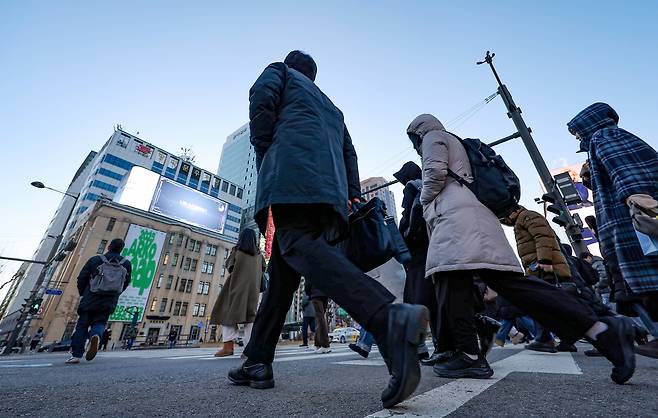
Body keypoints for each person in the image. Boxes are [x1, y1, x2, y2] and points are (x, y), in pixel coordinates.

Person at [230, 51, 429, 409]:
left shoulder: (279, 73)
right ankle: (257, 360)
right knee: (283, 275)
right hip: (330, 192)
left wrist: (266, 149)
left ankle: (387, 319)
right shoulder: (333, 109)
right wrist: (352, 193)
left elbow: (261, 102)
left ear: (291, 65)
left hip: (291, 177)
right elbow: (349, 152)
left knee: (294, 242)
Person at [408, 113, 637, 384]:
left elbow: (434, 172)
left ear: (417, 132)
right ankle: (601, 329)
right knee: (515, 286)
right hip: (475, 218)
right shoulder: (457, 143)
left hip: (455, 222)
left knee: (451, 284)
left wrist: (424, 201)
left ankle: (468, 356)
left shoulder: (433, 137)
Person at [568, 102, 658, 359]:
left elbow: (626, 170)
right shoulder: (605, 138)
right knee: (635, 287)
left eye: (577, 131)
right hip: (623, 220)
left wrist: (638, 198)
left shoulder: (605, 136)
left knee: (647, 282)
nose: (577, 137)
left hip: (627, 222)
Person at [66, 238, 131, 364]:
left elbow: (82, 278)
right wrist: (115, 293)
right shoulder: (126, 263)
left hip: (91, 296)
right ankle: (95, 336)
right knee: (100, 322)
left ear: (109, 247)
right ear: (121, 249)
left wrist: (84, 292)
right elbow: (126, 282)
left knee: (82, 325)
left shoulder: (95, 260)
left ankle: (76, 355)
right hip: (110, 299)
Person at [210, 228, 266, 357]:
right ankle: (249, 350)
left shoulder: (237, 251)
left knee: (227, 314)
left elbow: (229, 267)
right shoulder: (259, 255)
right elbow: (263, 270)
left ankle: (228, 347)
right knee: (250, 319)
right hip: (253, 291)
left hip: (235, 287)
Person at [305, 284, 331, 354]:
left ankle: (325, 346)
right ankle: (317, 344)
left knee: (320, 318)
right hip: (325, 293)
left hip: (316, 293)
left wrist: (308, 293)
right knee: (319, 318)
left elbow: (308, 281)